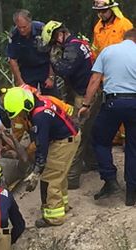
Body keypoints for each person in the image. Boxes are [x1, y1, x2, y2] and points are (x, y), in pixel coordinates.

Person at [3, 87, 80, 227]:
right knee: (58, 174)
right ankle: (62, 205)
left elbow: (41, 146)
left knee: (50, 178)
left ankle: (53, 216)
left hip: (64, 141)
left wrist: (36, 171)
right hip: (65, 137)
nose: (20, 115)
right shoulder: (40, 103)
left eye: (21, 112)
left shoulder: (40, 117)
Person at [78, 29, 136, 206]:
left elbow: (95, 80)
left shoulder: (108, 51)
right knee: (133, 146)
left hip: (113, 103)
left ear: (123, 38)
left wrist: (86, 105)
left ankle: (110, 179)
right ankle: (131, 193)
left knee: (100, 140)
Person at [41, 20, 99, 189]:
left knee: (78, 134)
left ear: (59, 35)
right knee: (89, 130)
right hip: (87, 91)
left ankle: (72, 178)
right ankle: (92, 162)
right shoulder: (80, 44)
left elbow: (65, 70)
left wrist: (53, 59)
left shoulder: (72, 48)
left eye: (53, 43)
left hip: (84, 95)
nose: (55, 46)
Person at [92, 0, 133, 145]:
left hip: (122, 70)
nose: (101, 14)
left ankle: (126, 137)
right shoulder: (98, 27)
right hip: (105, 72)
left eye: (103, 11)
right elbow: (96, 50)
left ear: (111, 9)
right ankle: (117, 135)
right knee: (110, 105)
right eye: (98, 11)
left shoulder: (124, 24)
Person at [6, 9, 57, 96]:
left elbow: (53, 53)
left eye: (24, 27)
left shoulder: (42, 29)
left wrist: (51, 77)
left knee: (52, 97)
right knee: (27, 97)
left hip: (44, 67)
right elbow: (12, 59)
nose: (22, 30)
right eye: (19, 27)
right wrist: (20, 82)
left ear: (30, 22)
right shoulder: (14, 35)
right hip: (27, 70)